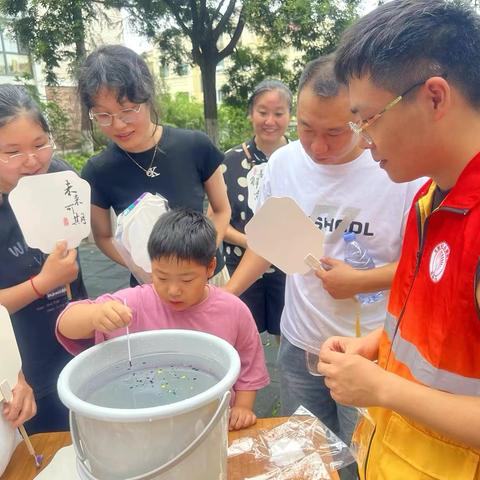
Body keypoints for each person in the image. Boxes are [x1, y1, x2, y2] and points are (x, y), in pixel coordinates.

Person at [225, 55, 424, 478]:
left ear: (360, 116)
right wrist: (221, 298)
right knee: (304, 456)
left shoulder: (399, 169)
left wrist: (361, 281)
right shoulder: (283, 164)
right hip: (299, 345)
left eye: (335, 132)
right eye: (306, 128)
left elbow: (423, 264)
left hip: (371, 350)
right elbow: (267, 243)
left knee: (364, 460)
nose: (317, 147)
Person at [316, 1, 480, 479]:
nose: (362, 140)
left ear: (434, 98)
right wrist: (378, 345)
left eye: (366, 118)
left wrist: (382, 389)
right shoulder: (430, 200)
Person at [56, 208, 269, 431]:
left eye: (187, 279)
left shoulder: (232, 311)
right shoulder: (135, 303)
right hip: (144, 424)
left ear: (210, 268)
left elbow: (248, 365)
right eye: (162, 277)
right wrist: (94, 315)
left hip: (211, 421)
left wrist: (243, 407)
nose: (173, 290)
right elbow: (66, 324)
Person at [78, 45, 231, 285]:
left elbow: (221, 210)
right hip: (150, 287)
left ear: (147, 97)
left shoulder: (194, 146)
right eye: (103, 115)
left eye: (127, 110)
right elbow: (104, 237)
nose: (118, 125)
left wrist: (203, 256)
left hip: (206, 277)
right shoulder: (98, 171)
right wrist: (142, 270)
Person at [0, 84, 87, 433]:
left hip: (74, 342)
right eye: (12, 151)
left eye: (40, 144)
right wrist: (43, 282)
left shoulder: (59, 178)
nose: (33, 160)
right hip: (21, 372)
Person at [221, 79, 292, 338]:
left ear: (290, 115)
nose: (270, 121)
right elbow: (216, 219)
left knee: (286, 336)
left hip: (287, 268)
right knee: (241, 335)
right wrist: (249, 241)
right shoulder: (230, 161)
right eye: (263, 112)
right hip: (240, 262)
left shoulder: (301, 160)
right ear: (251, 113)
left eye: (278, 113)